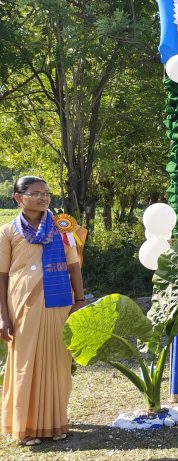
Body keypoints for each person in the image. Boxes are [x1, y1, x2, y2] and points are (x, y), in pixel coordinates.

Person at [0, 176, 86, 446]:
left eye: (46, 193)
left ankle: (54, 423)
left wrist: (80, 301)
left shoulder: (63, 227)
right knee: (26, 364)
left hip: (60, 303)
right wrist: (2, 315)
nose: (43, 198)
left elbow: (74, 266)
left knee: (58, 363)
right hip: (22, 304)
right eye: (36, 193)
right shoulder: (7, 231)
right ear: (18, 197)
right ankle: (25, 427)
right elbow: (2, 276)